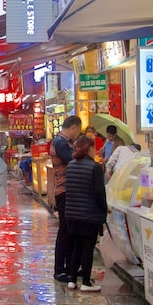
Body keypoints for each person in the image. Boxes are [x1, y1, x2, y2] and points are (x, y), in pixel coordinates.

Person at [64, 135, 108, 292]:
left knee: (76, 247)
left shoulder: (71, 165)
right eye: (94, 147)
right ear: (89, 149)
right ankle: (86, 283)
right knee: (87, 248)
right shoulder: (94, 167)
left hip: (72, 214)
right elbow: (99, 193)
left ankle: (72, 280)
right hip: (89, 215)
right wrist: (104, 210)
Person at [51, 115, 83, 283]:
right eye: (78, 130)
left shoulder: (63, 142)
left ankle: (70, 267)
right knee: (64, 231)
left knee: (69, 231)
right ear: (74, 127)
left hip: (67, 191)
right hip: (64, 191)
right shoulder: (60, 143)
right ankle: (59, 270)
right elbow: (73, 161)